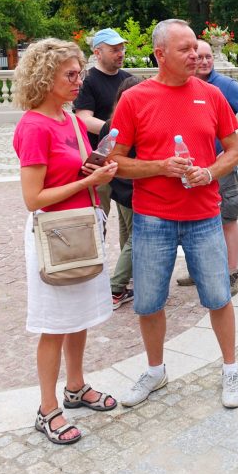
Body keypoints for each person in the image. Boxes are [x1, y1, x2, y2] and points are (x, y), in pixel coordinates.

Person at [109, 19, 238, 410]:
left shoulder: (211, 94)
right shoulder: (135, 99)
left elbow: (233, 150)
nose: (195, 56)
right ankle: (155, 370)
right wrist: (161, 167)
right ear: (160, 54)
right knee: (149, 302)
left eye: (196, 48)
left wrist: (210, 171)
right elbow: (116, 162)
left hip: (204, 214)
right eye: (184, 49)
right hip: (153, 218)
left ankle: (230, 368)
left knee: (219, 297)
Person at [12, 38, 119, 445]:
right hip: (54, 234)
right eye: (70, 75)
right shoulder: (34, 126)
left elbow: (71, 174)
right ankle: (47, 407)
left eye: (80, 74)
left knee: (80, 319)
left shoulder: (69, 118)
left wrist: (94, 169)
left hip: (82, 227)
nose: (79, 81)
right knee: (53, 326)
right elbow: (32, 199)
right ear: (45, 78)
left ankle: (75, 387)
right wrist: (91, 180)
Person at [176, 39, 238, 296]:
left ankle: (232, 271)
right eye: (198, 56)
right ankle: (199, 269)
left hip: (220, 167)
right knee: (196, 219)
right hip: (192, 167)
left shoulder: (222, 84)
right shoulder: (186, 84)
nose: (203, 61)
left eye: (207, 57)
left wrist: (233, 146)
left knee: (227, 217)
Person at [74, 28, 133, 297]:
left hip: (123, 162)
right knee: (98, 219)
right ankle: (93, 278)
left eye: (121, 48)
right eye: (114, 49)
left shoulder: (128, 79)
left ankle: (125, 277)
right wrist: (116, 129)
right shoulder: (88, 81)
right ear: (97, 52)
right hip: (97, 163)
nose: (120, 53)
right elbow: (83, 118)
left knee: (126, 222)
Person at [100, 75, 143, 309]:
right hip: (133, 188)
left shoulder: (110, 122)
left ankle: (131, 275)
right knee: (136, 237)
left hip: (117, 187)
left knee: (127, 232)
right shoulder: (134, 122)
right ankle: (116, 287)